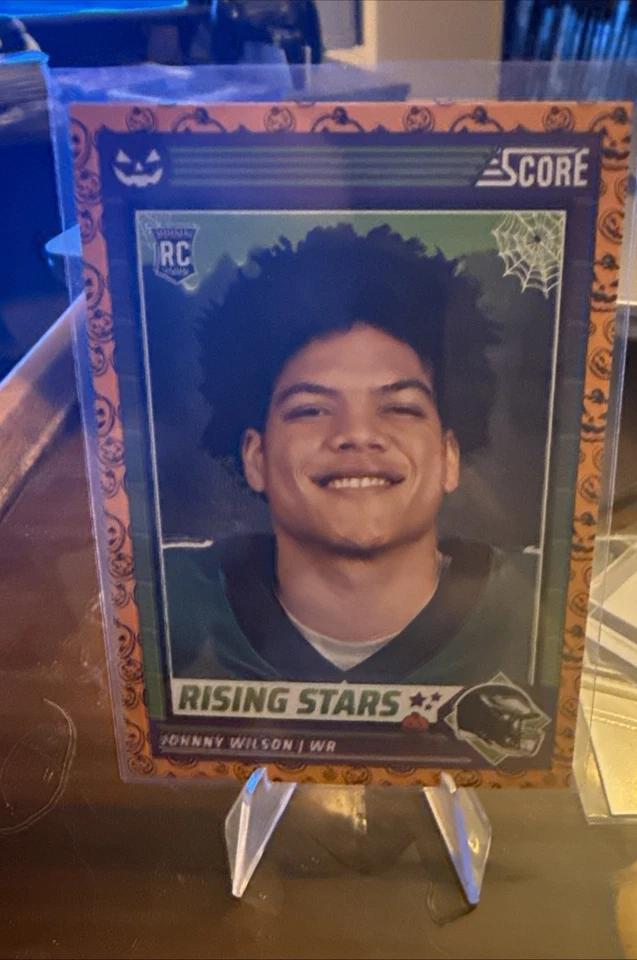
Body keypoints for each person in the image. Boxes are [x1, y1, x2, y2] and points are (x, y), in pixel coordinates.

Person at [166, 224, 536, 684]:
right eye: (311, 410)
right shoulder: (162, 600)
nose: (358, 434)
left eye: (400, 408)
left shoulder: (543, 601)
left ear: (449, 457)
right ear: (256, 457)